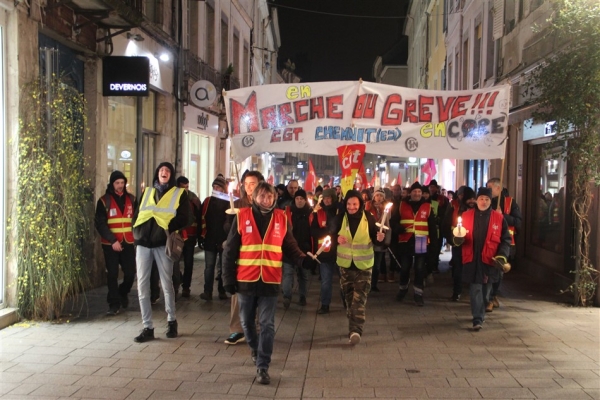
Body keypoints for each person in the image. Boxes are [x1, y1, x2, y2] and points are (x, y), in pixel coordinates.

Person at [222, 182, 314, 385]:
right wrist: (227, 279)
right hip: (246, 280)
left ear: (274, 198)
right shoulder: (242, 216)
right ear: (254, 198)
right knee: (246, 323)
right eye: (262, 196)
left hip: (270, 281)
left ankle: (263, 366)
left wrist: (303, 259)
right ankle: (254, 348)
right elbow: (229, 251)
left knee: (267, 325)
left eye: (270, 197)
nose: (266, 200)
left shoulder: (282, 218)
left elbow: (290, 246)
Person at [132, 162, 190, 342]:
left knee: (167, 284)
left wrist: (169, 226)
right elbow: (137, 214)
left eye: (167, 170)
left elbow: (186, 217)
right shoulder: (147, 192)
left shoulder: (179, 194)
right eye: (161, 170)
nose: (163, 172)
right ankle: (147, 327)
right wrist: (136, 233)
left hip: (162, 243)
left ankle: (171, 320)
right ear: (157, 173)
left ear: (171, 175)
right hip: (143, 243)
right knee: (142, 286)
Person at [452, 187, 511, 330]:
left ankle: (482, 308)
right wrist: (457, 239)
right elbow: (457, 237)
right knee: (475, 288)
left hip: (489, 260)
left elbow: (506, 239)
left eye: (486, 199)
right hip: (472, 259)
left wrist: (502, 255)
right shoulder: (466, 216)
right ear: (476, 200)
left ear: (491, 201)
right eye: (481, 199)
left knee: (486, 292)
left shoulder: (499, 218)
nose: (483, 202)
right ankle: (477, 318)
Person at [330, 190, 385, 345]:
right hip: (345, 266)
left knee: (358, 300)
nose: (351, 207)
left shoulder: (368, 217)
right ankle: (353, 324)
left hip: (364, 266)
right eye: (348, 204)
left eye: (354, 204)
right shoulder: (340, 218)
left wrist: (380, 238)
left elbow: (376, 238)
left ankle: (355, 331)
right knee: (349, 299)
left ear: (360, 204)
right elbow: (328, 237)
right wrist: (336, 239)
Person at [223, 170, 264, 345]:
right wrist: (231, 221)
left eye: (252, 184)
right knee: (238, 296)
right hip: (242, 257)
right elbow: (227, 229)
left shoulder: (266, 203)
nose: (249, 187)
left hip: (262, 258)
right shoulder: (238, 204)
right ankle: (237, 329)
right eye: (246, 184)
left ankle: (258, 328)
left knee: (261, 296)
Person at [95, 170, 137, 315]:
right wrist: (113, 240)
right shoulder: (103, 201)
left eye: (122, 183)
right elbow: (100, 223)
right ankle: (114, 303)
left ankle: (122, 292)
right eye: (117, 183)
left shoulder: (132, 199)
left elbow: (137, 220)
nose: (120, 185)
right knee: (112, 274)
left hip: (128, 242)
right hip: (110, 244)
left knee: (130, 274)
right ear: (112, 184)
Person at [390, 182, 437, 306]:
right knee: (405, 267)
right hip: (406, 240)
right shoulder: (401, 205)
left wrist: (434, 244)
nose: (417, 194)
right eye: (415, 191)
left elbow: (432, 226)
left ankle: (418, 293)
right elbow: (393, 221)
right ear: (410, 193)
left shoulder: (428, 206)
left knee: (419, 267)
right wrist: (398, 228)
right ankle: (403, 289)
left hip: (421, 240)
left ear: (422, 194)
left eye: (419, 192)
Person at [486, 178, 522, 311]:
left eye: (490, 188)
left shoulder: (511, 203)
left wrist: (503, 216)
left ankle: (492, 295)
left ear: (498, 188)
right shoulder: (487, 202)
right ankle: (489, 298)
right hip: (491, 242)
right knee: (491, 271)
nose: (488, 191)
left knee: (499, 272)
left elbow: (518, 222)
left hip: (506, 243)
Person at [441, 186, 476, 301]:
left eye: (473, 198)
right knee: (458, 268)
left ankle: (472, 292)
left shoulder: (478, 209)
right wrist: (451, 240)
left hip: (473, 244)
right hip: (458, 243)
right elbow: (446, 223)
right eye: (469, 198)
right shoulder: (455, 206)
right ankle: (457, 291)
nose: (471, 201)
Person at [198, 176, 230, 301]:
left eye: (218, 187)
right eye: (214, 187)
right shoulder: (207, 201)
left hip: (224, 240)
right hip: (210, 239)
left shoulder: (229, 202)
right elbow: (201, 219)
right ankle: (208, 291)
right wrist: (200, 237)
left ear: (223, 189)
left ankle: (222, 291)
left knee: (222, 267)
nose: (216, 189)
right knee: (209, 267)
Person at [310, 187, 339, 314]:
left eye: (329, 198)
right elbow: (313, 230)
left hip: (340, 251)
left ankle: (346, 302)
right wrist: (326, 231)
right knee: (326, 281)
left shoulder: (340, 211)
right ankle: (325, 305)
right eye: (325, 198)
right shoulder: (319, 212)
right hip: (325, 252)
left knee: (344, 280)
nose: (327, 200)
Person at [282, 189, 312, 308]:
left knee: (303, 275)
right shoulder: (288, 212)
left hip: (304, 249)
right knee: (288, 273)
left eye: (301, 199)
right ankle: (286, 296)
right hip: (289, 248)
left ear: (305, 200)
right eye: (297, 199)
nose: (299, 201)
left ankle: (302, 296)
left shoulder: (310, 213)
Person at [173, 176, 201, 298]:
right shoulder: (173, 198)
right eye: (182, 187)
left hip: (190, 235)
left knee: (189, 263)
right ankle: (176, 284)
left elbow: (199, 217)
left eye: (187, 187)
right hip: (177, 236)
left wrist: (199, 235)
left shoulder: (193, 198)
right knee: (175, 262)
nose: (185, 189)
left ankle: (186, 287)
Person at [368, 190, 391, 288]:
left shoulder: (386, 208)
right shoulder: (368, 207)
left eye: (380, 196)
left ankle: (374, 284)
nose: (378, 197)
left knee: (377, 264)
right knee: (369, 263)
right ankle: (368, 283)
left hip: (381, 236)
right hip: (370, 237)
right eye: (377, 195)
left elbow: (387, 223)